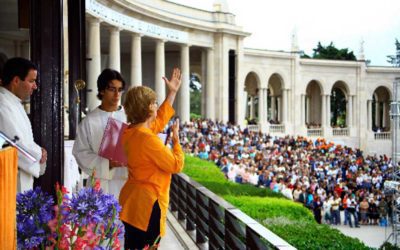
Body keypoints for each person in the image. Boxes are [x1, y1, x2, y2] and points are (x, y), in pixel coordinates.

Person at [119, 68, 184, 249]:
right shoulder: (147, 138)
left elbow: (158, 121)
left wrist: (172, 92)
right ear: (148, 107)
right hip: (148, 206)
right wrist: (177, 142)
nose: (157, 105)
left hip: (133, 202)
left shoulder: (131, 132)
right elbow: (176, 164)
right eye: (155, 102)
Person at [72, 69, 128, 197]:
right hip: (100, 185)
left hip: (126, 183)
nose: (117, 94)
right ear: (102, 90)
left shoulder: (129, 117)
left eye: (120, 90)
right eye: (112, 89)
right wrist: (107, 163)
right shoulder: (89, 121)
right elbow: (80, 153)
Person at [0, 57, 47, 192]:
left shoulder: (13, 102)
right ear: (16, 80)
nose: (35, 86)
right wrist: (39, 153)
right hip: (10, 176)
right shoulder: (3, 105)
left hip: (19, 173)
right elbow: (14, 143)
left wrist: (38, 152)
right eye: (31, 81)